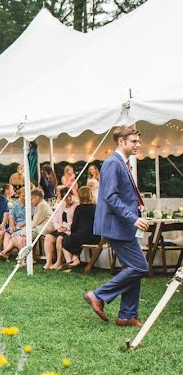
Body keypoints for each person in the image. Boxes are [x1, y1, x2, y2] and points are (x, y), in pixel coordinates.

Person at [85, 126, 150, 327]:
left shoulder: (122, 162)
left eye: (138, 141)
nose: (138, 144)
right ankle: (98, 295)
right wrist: (132, 218)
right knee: (140, 267)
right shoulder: (113, 163)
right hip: (117, 226)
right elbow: (110, 198)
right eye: (133, 141)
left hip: (122, 226)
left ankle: (127, 315)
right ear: (121, 141)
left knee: (134, 267)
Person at [0, 188, 51, 260]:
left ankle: (24, 258)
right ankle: (7, 254)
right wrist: (13, 226)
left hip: (40, 229)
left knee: (20, 237)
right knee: (11, 234)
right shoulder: (39, 205)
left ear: (37, 197)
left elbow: (34, 223)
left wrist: (24, 230)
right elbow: (11, 216)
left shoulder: (41, 206)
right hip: (35, 227)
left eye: (31, 198)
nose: (30, 200)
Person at [60, 185, 99, 270]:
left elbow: (74, 225)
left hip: (82, 236)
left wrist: (73, 232)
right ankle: (75, 260)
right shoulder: (97, 208)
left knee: (65, 240)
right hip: (96, 237)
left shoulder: (79, 208)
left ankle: (71, 262)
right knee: (75, 240)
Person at [43, 191, 78, 269]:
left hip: (70, 230)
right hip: (60, 228)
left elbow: (76, 222)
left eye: (70, 196)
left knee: (60, 238)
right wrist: (58, 228)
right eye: (66, 197)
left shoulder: (77, 206)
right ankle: (49, 262)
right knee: (48, 237)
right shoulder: (61, 205)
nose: (68, 198)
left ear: (73, 195)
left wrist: (67, 228)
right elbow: (55, 218)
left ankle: (59, 262)